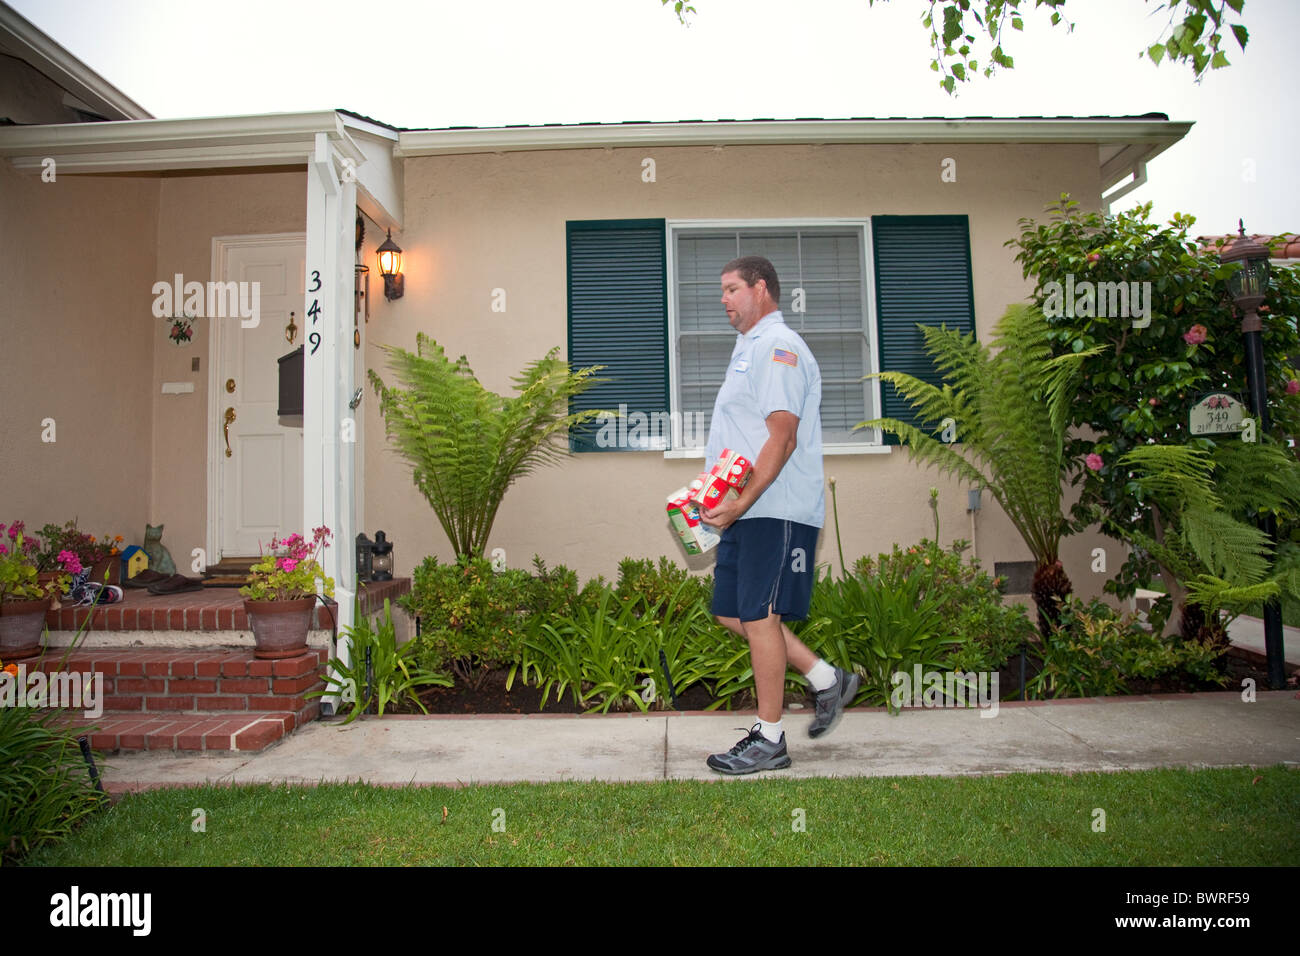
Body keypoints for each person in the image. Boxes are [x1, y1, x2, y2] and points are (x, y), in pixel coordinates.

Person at [700, 255, 859, 775]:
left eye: (730, 289)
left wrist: (741, 502)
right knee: (731, 610)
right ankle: (825, 679)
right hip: (746, 510)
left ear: (761, 288)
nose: (722, 299)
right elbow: (742, 438)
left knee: (760, 616)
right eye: (721, 291)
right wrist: (713, 497)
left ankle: (769, 738)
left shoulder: (778, 346)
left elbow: (782, 436)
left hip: (776, 507)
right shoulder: (747, 350)